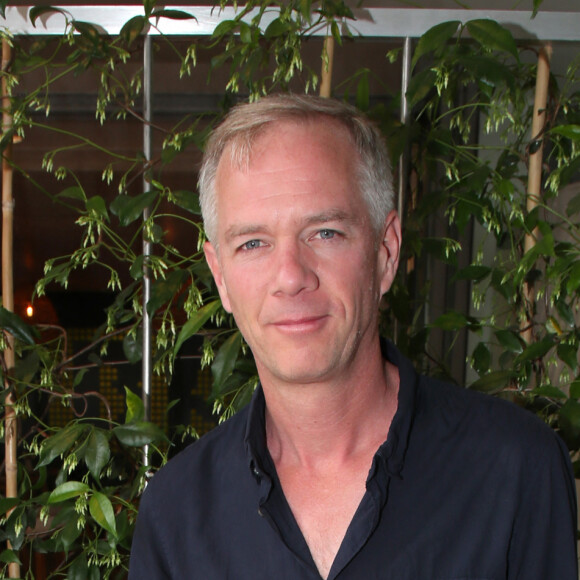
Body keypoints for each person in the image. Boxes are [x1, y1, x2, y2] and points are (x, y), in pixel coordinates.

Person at [128, 94, 578, 579]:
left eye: (324, 233)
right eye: (252, 243)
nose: (291, 276)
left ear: (386, 252)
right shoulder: (175, 514)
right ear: (220, 277)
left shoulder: (516, 470)